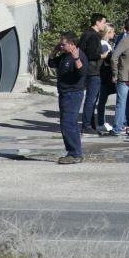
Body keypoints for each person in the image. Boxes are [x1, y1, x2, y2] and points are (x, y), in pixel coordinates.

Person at [48, 32, 88, 164]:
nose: (61, 45)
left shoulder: (79, 55)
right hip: (64, 94)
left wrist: (76, 59)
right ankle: (74, 152)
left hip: (73, 94)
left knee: (68, 124)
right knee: (68, 123)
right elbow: (51, 63)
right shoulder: (65, 55)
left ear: (72, 44)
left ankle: (74, 154)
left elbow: (82, 73)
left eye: (63, 43)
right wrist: (54, 51)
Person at [78, 13, 106, 134]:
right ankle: (87, 125)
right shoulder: (94, 36)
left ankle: (90, 123)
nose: (104, 25)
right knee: (91, 99)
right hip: (93, 71)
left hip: (87, 70)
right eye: (103, 22)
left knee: (91, 99)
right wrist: (103, 55)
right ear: (97, 22)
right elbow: (91, 54)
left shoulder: (86, 34)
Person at [96, 23, 116, 133]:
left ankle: (100, 122)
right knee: (102, 101)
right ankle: (100, 122)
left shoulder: (106, 44)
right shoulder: (104, 45)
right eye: (112, 32)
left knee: (102, 101)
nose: (114, 34)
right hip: (106, 75)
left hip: (104, 75)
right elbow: (105, 60)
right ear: (108, 33)